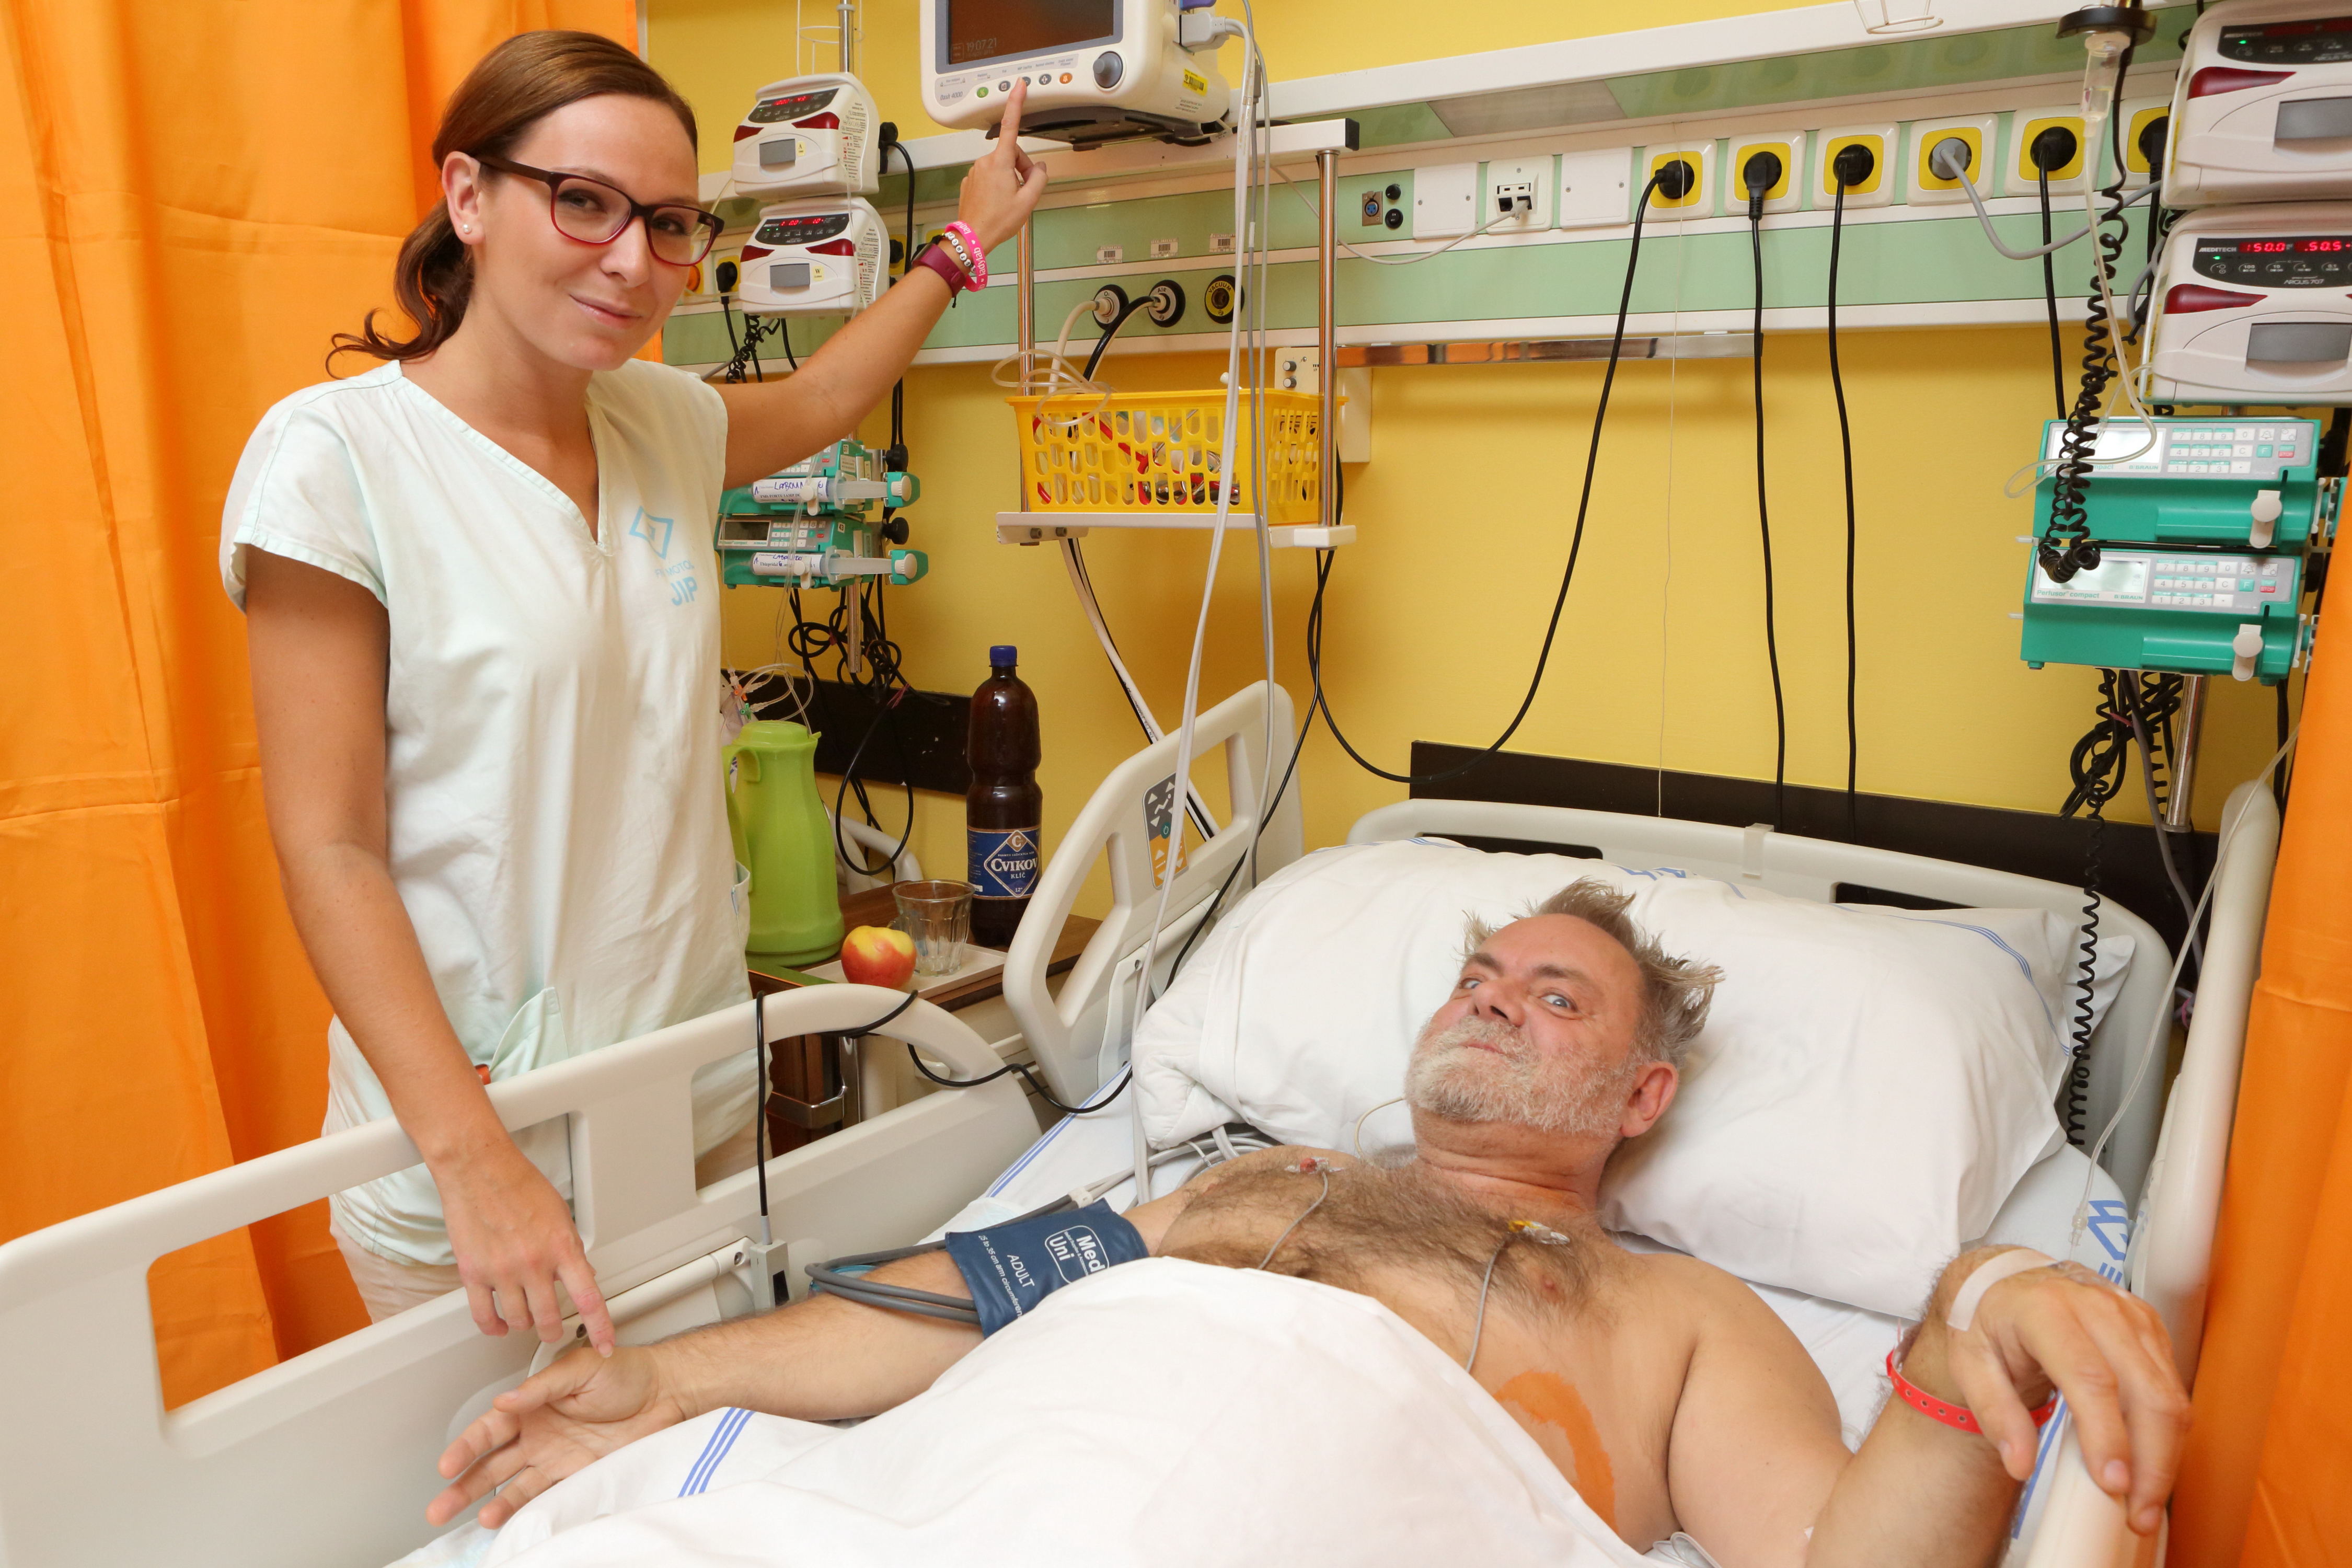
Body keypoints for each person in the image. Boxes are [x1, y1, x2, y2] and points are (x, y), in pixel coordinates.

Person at [428, 880, 2190, 1564]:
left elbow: (1838, 1563)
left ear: (1643, 1096)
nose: (1491, 999)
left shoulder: (1677, 1316)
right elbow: (967, 1296)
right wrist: (666, 1383)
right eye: (1480, 976)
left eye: (1556, 999)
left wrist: (1972, 1312)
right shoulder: (1241, 1185)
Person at [222, 30, 1046, 1352]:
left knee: (693, 1462)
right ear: (468, 196)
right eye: (583, 202)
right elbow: (329, 847)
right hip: (478, 1149)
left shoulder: (660, 421)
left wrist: (967, 240)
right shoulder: (338, 462)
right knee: (516, 1483)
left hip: (687, 1101)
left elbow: (830, 392)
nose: (630, 260)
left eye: (667, 223)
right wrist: (473, 1158)